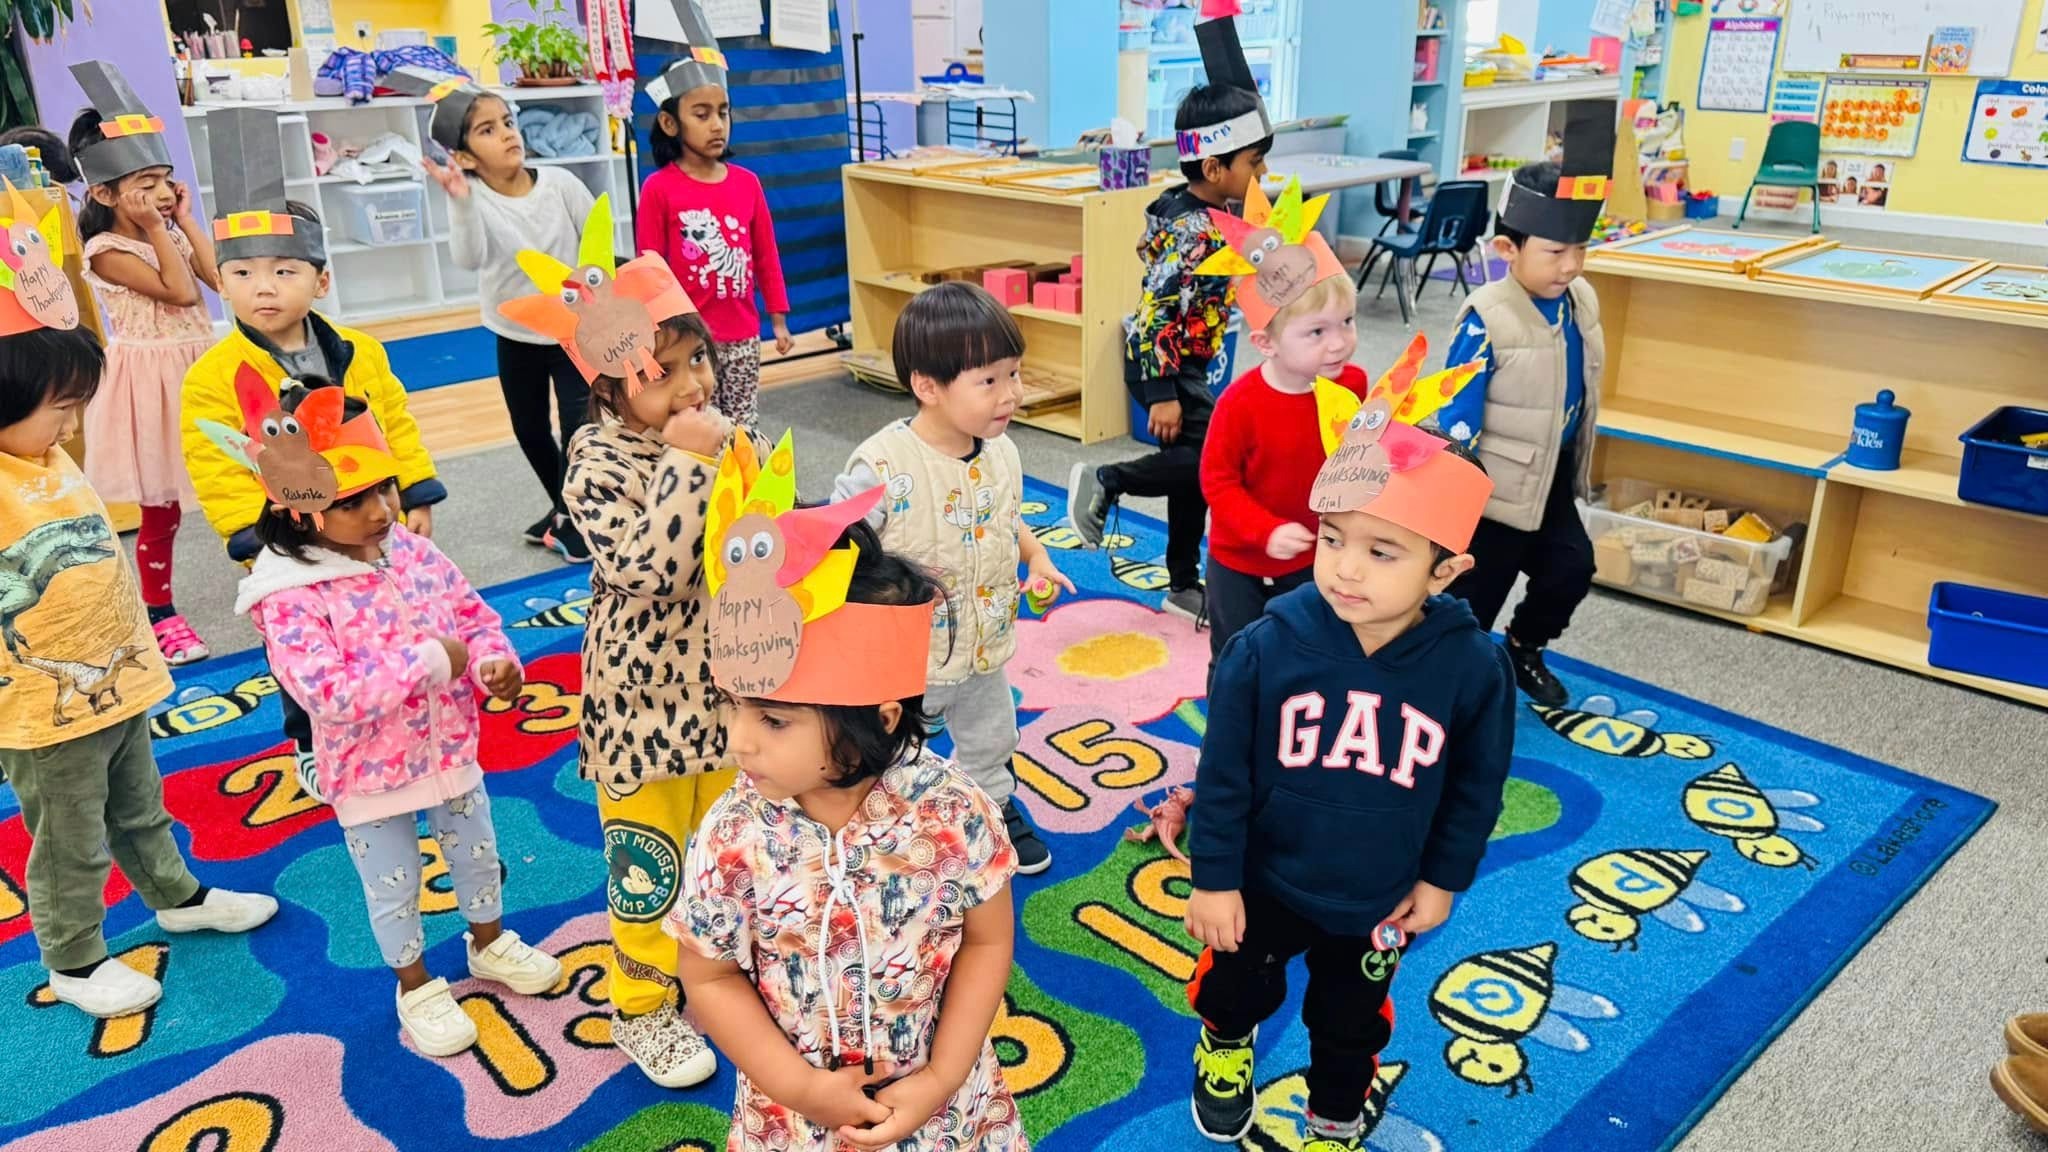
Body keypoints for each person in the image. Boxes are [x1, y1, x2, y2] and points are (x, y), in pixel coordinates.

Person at [1183, 387, 1514, 1152]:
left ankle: (1335, 1109)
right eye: (1333, 538)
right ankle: (1225, 1045)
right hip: (1264, 880)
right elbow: (1223, 774)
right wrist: (1214, 879)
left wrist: (1443, 880)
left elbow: (1475, 789)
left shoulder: (1472, 670)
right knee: (1235, 988)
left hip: (1380, 894)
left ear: (1445, 571)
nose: (1345, 569)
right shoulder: (1265, 648)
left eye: (1382, 551)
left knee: (1350, 1019)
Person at [675, 449, 1023, 1152]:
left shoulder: (953, 812)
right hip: (794, 1121)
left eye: (774, 720)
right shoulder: (732, 833)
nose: (739, 740)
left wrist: (940, 1078)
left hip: (946, 1114)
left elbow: (988, 939)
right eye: (732, 705)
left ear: (880, 720)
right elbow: (708, 975)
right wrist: (803, 1089)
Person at [0, 214, 275, 1022]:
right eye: (60, 409)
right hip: (43, 706)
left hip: (115, 672)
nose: (72, 427)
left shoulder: (44, 454)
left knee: (138, 803)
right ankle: (74, 956)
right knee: (70, 835)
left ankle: (174, 895)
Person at [233, 384, 562, 1057]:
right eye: (354, 502)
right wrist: (430, 662)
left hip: (449, 751)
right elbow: (327, 693)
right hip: (369, 775)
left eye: (385, 489)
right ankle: (414, 985)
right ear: (300, 509)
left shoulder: (411, 550)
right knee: (394, 887)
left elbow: (471, 616)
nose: (382, 510)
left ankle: (489, 943)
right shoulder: (289, 595)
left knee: (478, 858)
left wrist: (493, 663)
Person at [510, 199, 732, 1088]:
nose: (692, 385)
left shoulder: (724, 436)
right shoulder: (596, 462)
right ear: (607, 387)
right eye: (662, 371)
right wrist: (690, 461)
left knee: (727, 848)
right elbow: (650, 569)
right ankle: (641, 1007)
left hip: (731, 693)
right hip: (642, 711)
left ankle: (722, 973)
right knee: (650, 865)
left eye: (697, 359)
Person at [181, 106, 446, 789]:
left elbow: (393, 422)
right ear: (221, 281)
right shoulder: (214, 377)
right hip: (290, 539)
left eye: (283, 270)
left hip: (366, 520)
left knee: (381, 620)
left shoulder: (359, 351)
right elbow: (217, 463)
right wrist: (253, 537)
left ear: (321, 280)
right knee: (304, 645)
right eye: (241, 274)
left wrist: (414, 492)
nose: (263, 287)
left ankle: (391, 715)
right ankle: (308, 736)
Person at [834, 283, 1072, 876]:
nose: (1011, 393)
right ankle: (879, 819)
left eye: (1014, 373)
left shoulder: (1002, 452)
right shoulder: (883, 466)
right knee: (887, 748)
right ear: (928, 386)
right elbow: (836, 542)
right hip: (907, 656)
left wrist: (1037, 556)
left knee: (993, 735)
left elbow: (1007, 515)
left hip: (984, 643)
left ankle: (993, 805)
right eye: (988, 380)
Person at [1069, 6, 1274, 622]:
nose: (1263, 173)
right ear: (1214, 168)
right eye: (1254, 163)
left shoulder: (1204, 208)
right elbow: (1156, 308)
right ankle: (1108, 480)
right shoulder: (1191, 230)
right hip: (1163, 362)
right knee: (1210, 462)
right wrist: (1159, 392)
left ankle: (1183, 583)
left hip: (1189, 360)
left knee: (1195, 473)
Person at [1437, 99, 1617, 708]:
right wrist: (1458, 481)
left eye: (1580, 249)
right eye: (1555, 252)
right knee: (1471, 603)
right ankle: (1449, 687)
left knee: (1571, 569)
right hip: (1491, 490)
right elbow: (1457, 407)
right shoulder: (1487, 315)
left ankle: (1524, 646)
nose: (1571, 265)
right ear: (1507, 249)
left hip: (1551, 475)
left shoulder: (1581, 299)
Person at [402, 68, 598, 563]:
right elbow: (469, 258)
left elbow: (594, 243)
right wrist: (461, 202)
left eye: (508, 122)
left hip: (572, 330)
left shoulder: (560, 184)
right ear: (466, 157)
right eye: (488, 130)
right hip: (515, 333)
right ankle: (564, 510)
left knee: (578, 428)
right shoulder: (475, 199)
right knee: (529, 428)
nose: (508, 134)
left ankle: (572, 517)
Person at [68, 61, 220, 666]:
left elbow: (216, 280)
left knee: (246, 474)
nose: (160, 192)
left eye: (164, 179)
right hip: (150, 383)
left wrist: (184, 221)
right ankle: (160, 613)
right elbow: (180, 292)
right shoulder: (106, 249)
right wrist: (161, 229)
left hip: (199, 365)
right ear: (104, 193)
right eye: (145, 183)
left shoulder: (167, 228)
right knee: (162, 507)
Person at [1195, 176, 1367, 660]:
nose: (1339, 343)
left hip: (1316, 554)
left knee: (1307, 651)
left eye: (1347, 322)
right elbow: (1218, 483)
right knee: (1236, 656)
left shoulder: (1352, 385)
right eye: (1317, 332)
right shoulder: (1239, 404)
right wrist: (1265, 530)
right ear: (1266, 343)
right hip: (1240, 561)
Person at [635, 0, 791, 433]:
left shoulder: (747, 183)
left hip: (743, 336)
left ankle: (746, 476)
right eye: (701, 115)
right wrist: (657, 332)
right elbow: (651, 269)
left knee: (743, 425)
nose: (717, 125)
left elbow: (766, 255)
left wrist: (778, 317)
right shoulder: (659, 188)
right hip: (688, 341)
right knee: (697, 424)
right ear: (670, 123)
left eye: (723, 113)